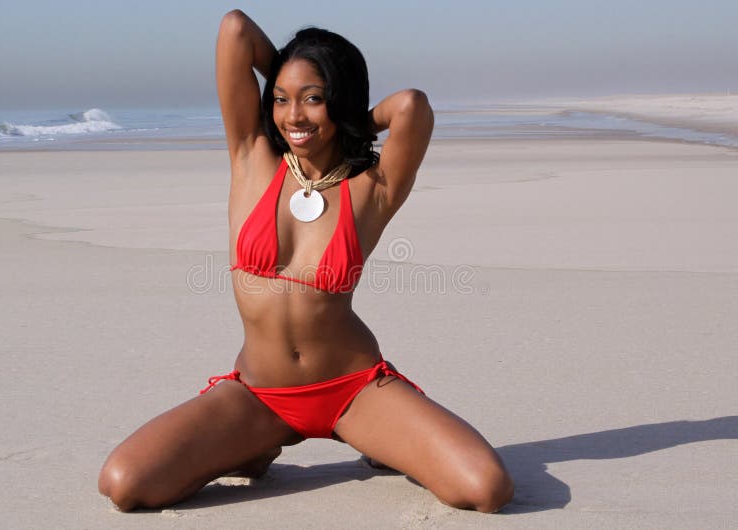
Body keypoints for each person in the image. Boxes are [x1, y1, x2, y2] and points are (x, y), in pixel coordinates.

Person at [98, 9, 513, 513]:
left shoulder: (372, 189)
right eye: (280, 99)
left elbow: (411, 106)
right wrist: (292, 73)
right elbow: (234, 29)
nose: (293, 116)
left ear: (338, 100)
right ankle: (259, 444)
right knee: (124, 483)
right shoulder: (250, 156)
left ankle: (376, 437)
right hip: (259, 394)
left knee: (486, 488)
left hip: (353, 391)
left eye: (312, 99)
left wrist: (344, 114)